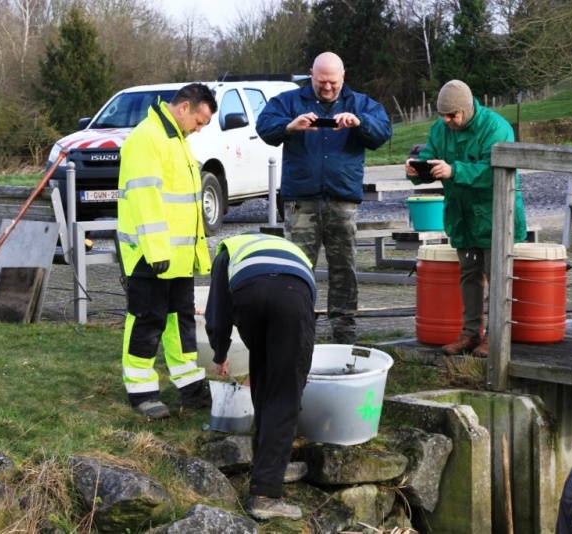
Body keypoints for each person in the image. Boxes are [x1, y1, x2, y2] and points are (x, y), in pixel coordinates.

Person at [256, 51, 392, 344]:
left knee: (344, 267)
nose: (327, 87)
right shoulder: (290, 101)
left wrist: (360, 123)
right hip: (300, 201)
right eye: (321, 82)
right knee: (296, 268)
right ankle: (296, 327)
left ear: (343, 76)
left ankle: (344, 330)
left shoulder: (360, 104)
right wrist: (290, 126)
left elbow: (383, 132)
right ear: (311, 75)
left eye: (333, 82)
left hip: (342, 200)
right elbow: (264, 125)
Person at [406, 79, 527, 358]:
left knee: (498, 276)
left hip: (495, 213)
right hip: (462, 215)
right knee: (469, 274)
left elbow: (495, 170)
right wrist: (417, 171)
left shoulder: (496, 128)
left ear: (467, 108)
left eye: (452, 115)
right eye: (443, 115)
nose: (447, 121)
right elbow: (430, 156)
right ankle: (471, 333)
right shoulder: (440, 129)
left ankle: (496, 336)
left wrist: (454, 171)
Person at [117, 83, 217, 419]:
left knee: (180, 321)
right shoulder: (148, 138)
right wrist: (156, 249)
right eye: (199, 122)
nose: (199, 129)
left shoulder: (176, 139)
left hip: (175, 257)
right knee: (147, 320)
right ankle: (141, 391)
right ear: (184, 107)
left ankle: (190, 387)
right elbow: (144, 198)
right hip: (150, 255)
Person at [204, 232, 317, 521]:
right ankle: (266, 495)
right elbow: (307, 298)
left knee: (263, 373)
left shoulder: (229, 251)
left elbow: (217, 310)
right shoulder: (292, 251)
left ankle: (271, 466)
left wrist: (220, 352)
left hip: (249, 294)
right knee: (285, 391)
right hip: (293, 295)